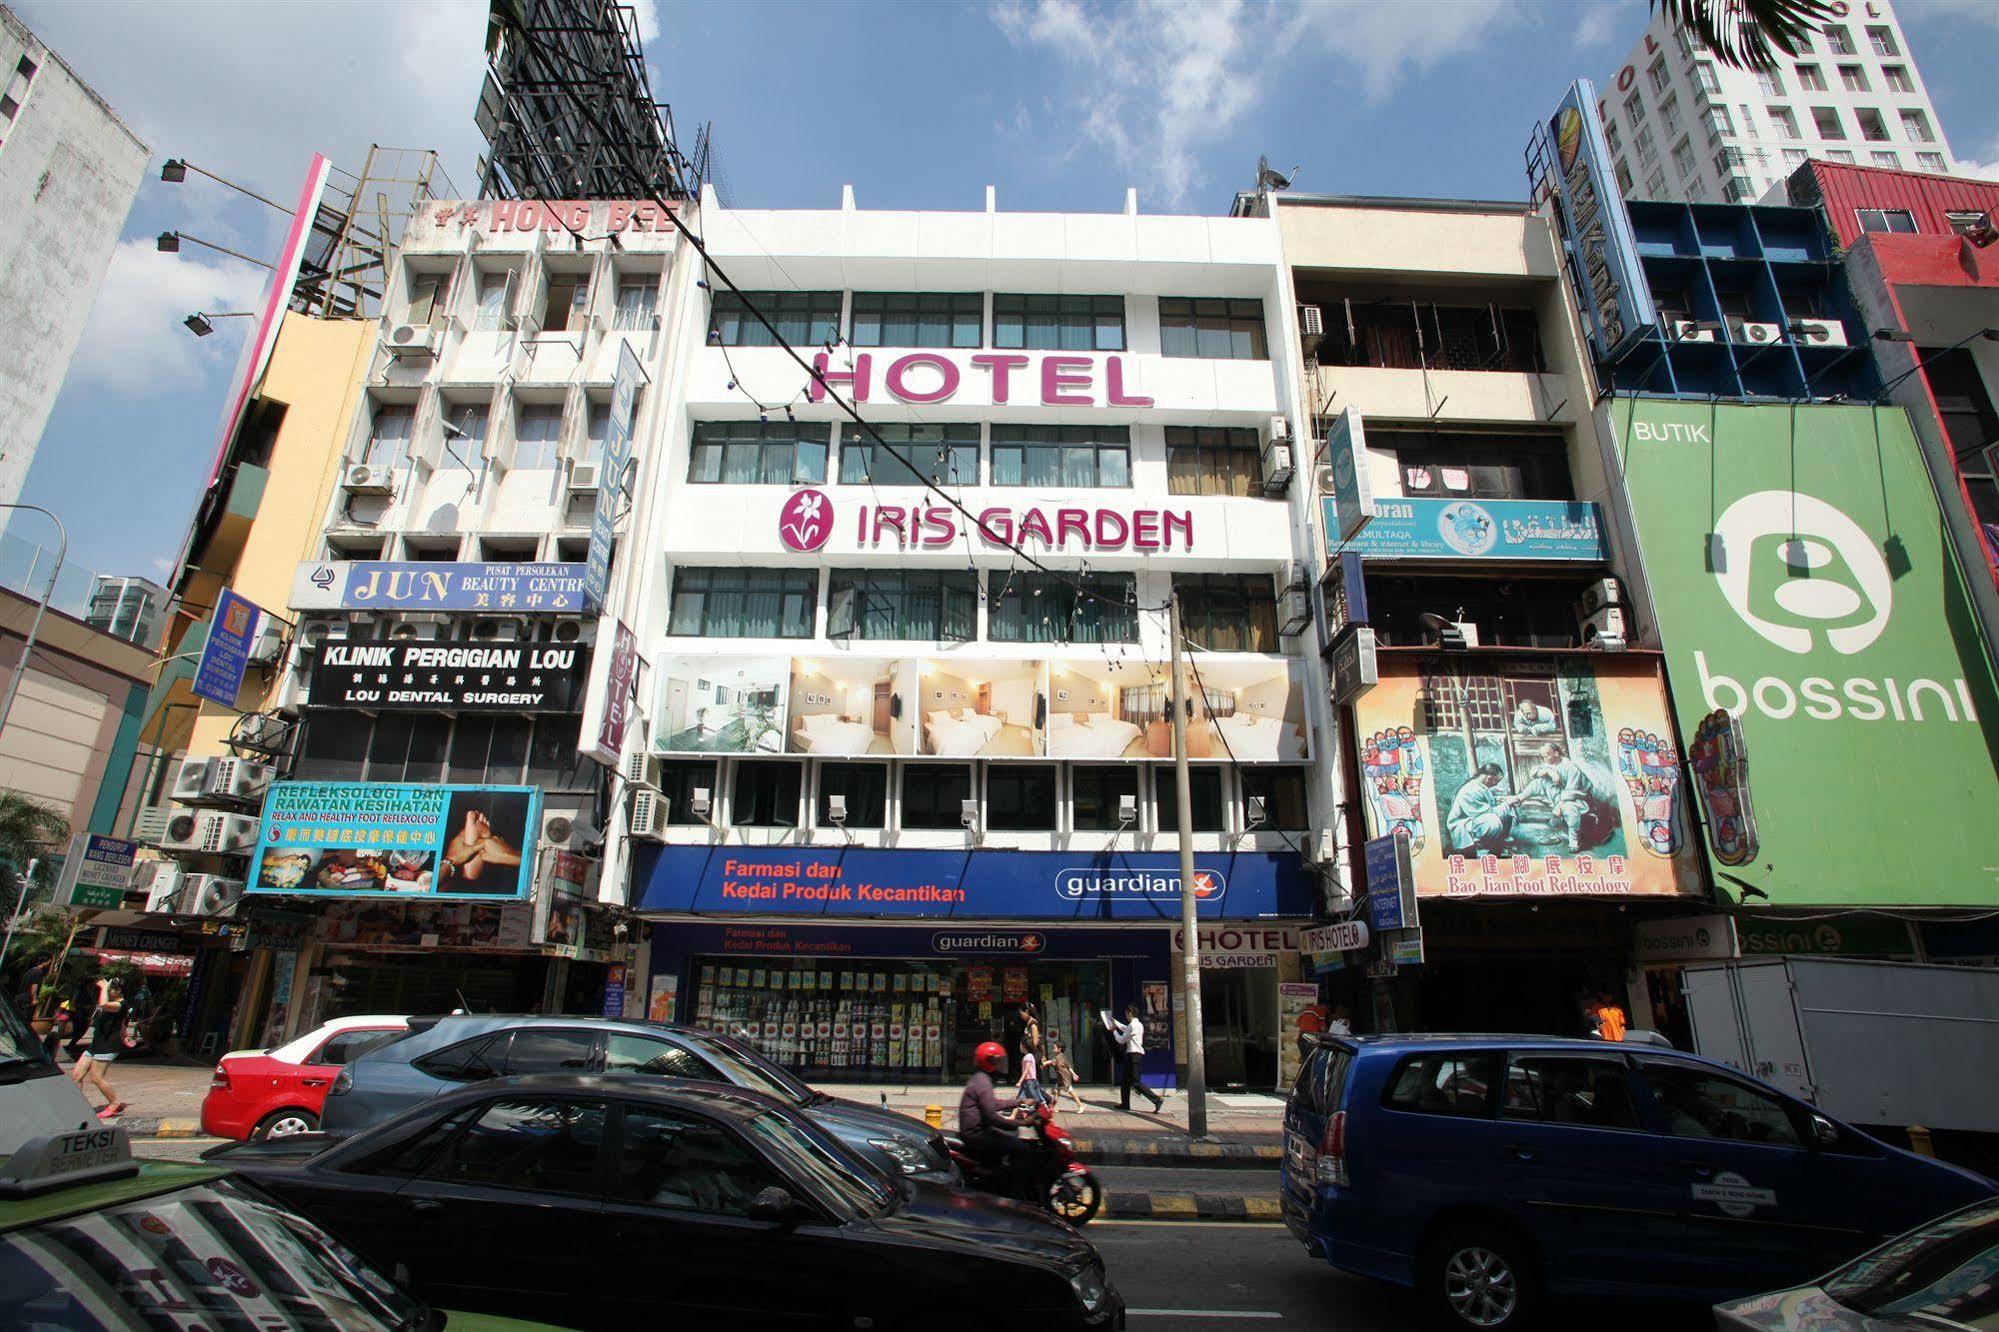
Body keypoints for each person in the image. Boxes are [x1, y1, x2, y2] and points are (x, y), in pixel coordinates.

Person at [1524, 742, 1621, 854]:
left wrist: (1558, 806)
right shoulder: (1550, 764)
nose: (1545, 758)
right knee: (1541, 781)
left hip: (1584, 799)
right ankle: (1521, 797)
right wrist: (1548, 771)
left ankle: (1574, 840)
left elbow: (1571, 791)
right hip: (1568, 796)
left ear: (1556, 753)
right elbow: (1533, 772)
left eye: (1547, 755)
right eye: (1543, 756)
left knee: (1568, 807)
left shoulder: (1570, 767)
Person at [958, 1040, 1026, 1190]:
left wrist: (1017, 1102)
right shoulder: (983, 1082)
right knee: (1020, 1148)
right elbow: (992, 1117)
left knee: (1011, 1134)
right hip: (977, 1134)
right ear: (989, 1061)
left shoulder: (981, 1079)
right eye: (997, 1061)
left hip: (978, 1130)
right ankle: (1013, 1189)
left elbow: (993, 1104)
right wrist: (1020, 1123)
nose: (1000, 1065)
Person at [71, 982, 127, 1119]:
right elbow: (123, 1025)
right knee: (76, 1075)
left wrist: (103, 987)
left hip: (107, 1045)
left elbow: (103, 1005)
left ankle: (115, 1103)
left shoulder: (121, 1004)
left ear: (118, 990)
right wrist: (125, 1036)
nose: (107, 992)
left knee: (96, 1078)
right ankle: (77, 1105)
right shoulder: (111, 1001)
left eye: (110, 990)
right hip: (96, 1044)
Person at [1447, 764, 1520, 853]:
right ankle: (1482, 848)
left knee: (1506, 810)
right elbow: (1485, 812)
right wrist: (1507, 803)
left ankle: (1500, 840)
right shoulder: (1470, 789)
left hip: (1476, 819)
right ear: (1489, 778)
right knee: (1492, 821)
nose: (1496, 784)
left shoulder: (1480, 786)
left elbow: (1486, 802)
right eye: (1496, 781)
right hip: (1464, 824)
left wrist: (1500, 799)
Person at [1107, 1005, 1162, 1113]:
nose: (1126, 1015)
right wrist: (1115, 1021)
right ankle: (1125, 1104)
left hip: (1134, 1056)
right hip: (1132, 1056)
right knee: (1125, 1081)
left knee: (1135, 1082)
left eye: (1126, 1013)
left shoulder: (1133, 1026)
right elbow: (1124, 1028)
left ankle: (1157, 1100)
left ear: (1130, 1013)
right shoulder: (1137, 1024)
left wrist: (1114, 1031)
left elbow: (1121, 1040)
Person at [1044, 1035, 1087, 1114]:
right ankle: (1052, 1108)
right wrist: (1074, 1074)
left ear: (1059, 1049)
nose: (1053, 1049)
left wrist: (1044, 1063)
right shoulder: (1060, 1056)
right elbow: (1068, 1066)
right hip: (1061, 1079)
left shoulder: (1059, 1057)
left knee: (1071, 1092)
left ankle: (1081, 1106)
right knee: (1056, 1092)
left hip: (1064, 1080)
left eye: (1054, 1048)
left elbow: (1052, 1062)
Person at [1016, 1035, 1048, 1109]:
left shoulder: (1028, 1057)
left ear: (1024, 1046)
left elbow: (1026, 1070)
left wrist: (1019, 1081)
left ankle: (1045, 1110)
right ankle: (1016, 1114)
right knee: (1020, 1098)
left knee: (1036, 1097)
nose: (1020, 1047)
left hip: (1030, 1081)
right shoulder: (1028, 1056)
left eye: (1020, 1045)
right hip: (1027, 1081)